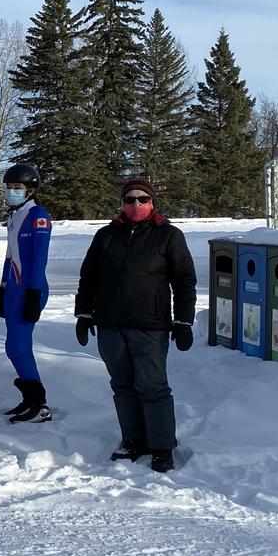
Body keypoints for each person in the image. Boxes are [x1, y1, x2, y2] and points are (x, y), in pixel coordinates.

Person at [76, 178, 196, 473]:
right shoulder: (106, 235)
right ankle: (134, 440)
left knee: (152, 386)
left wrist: (183, 321)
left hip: (150, 326)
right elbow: (89, 277)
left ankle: (162, 446)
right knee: (122, 385)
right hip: (110, 326)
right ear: (122, 203)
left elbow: (184, 281)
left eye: (143, 199)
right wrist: (84, 314)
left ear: (152, 202)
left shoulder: (168, 235)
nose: (136, 204)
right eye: (130, 199)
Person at [0, 164, 53, 423]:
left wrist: (33, 294)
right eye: (8, 187)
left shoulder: (38, 216)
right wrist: (2, 287)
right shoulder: (15, 216)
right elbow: (10, 256)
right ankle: (30, 399)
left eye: (17, 187)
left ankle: (40, 404)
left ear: (30, 190)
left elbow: (39, 259)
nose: (11, 192)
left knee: (19, 346)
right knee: (12, 348)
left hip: (30, 288)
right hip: (14, 288)